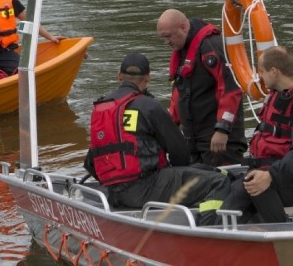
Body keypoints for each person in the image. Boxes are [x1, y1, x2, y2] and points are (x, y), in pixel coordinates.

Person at [84, 53, 230, 225]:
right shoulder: (149, 106)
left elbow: (90, 162)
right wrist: (177, 175)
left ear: (119, 75)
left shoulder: (101, 109)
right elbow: (180, 152)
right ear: (148, 78)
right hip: (145, 187)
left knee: (205, 169)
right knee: (219, 181)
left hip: (113, 192)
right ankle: (208, 230)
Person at [218, 46, 293, 224]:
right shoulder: (279, 97)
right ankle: (220, 232)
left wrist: (270, 175)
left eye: (261, 72)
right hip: (279, 173)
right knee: (233, 186)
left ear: (274, 71)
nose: (259, 77)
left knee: (253, 187)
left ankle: (284, 234)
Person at [156, 8, 247, 166]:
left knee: (224, 184)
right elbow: (179, 92)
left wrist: (222, 130)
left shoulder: (211, 46)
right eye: (163, 38)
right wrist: (169, 127)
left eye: (168, 36)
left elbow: (231, 90)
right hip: (194, 139)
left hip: (218, 139)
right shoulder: (183, 50)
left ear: (183, 27)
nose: (166, 42)